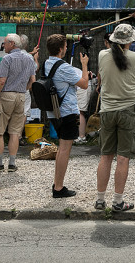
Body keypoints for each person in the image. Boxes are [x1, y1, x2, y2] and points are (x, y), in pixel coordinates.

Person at [95, 24, 135, 212]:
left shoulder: (102, 55)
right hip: (129, 110)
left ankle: (100, 199)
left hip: (107, 110)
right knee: (123, 158)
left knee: (105, 156)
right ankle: (118, 201)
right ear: (131, 40)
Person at [43, 34, 89, 198]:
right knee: (64, 149)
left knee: (62, 148)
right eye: (65, 46)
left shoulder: (47, 64)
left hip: (53, 112)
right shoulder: (63, 67)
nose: (67, 48)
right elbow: (84, 84)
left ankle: (57, 183)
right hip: (67, 112)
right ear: (61, 48)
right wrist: (84, 65)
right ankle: (58, 188)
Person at [0, 33, 37, 172]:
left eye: (5, 43)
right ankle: (12, 163)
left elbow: (1, 81)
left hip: (6, 95)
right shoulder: (30, 58)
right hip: (21, 96)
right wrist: (23, 89)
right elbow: (32, 81)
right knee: (15, 132)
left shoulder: (7, 58)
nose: (3, 45)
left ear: (12, 44)